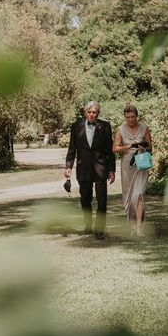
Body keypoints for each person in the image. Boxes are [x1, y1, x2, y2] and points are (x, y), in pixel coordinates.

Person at [64, 101, 115, 239]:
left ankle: (100, 230)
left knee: (102, 200)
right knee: (85, 199)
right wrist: (68, 166)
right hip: (83, 168)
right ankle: (88, 225)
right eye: (89, 112)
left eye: (94, 112)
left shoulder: (105, 126)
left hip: (101, 168)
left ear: (98, 113)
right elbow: (72, 148)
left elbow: (110, 150)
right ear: (85, 113)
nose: (92, 115)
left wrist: (111, 170)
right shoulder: (76, 127)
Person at [112, 104, 152, 237]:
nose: (130, 119)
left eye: (133, 116)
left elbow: (150, 147)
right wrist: (129, 145)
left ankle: (139, 228)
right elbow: (115, 149)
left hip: (141, 164)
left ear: (137, 116)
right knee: (130, 196)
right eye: (128, 117)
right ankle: (134, 225)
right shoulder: (120, 130)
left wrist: (143, 147)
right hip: (127, 166)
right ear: (125, 117)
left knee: (139, 194)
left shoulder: (144, 128)